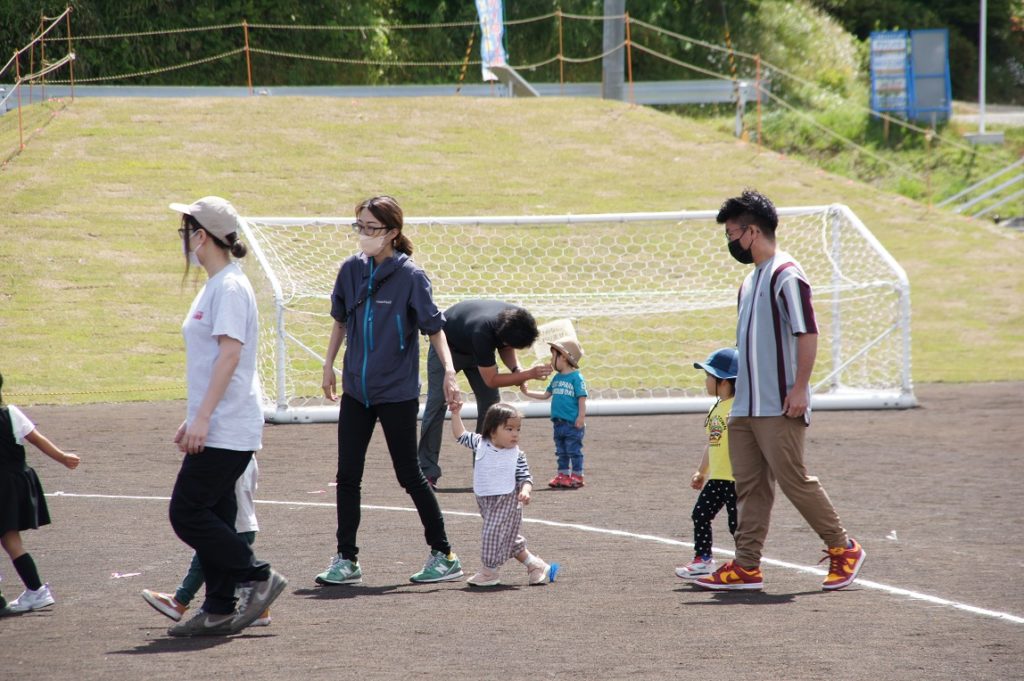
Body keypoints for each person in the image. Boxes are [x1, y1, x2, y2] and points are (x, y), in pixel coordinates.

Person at [696, 189, 865, 592]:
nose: (730, 242)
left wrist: (801, 388)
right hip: (746, 407)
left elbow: (807, 332)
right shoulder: (749, 280)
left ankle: (843, 548)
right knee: (749, 486)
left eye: (732, 233)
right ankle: (746, 566)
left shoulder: (787, 274)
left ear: (752, 232)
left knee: (794, 480)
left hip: (779, 404)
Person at [316, 195, 464, 586]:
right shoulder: (350, 270)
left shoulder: (411, 277)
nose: (364, 234)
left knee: (409, 474)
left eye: (372, 228)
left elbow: (434, 328)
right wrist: (329, 364)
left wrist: (449, 372)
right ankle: (346, 559)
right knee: (347, 475)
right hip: (356, 390)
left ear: (393, 232)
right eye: (359, 227)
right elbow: (340, 321)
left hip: (397, 392)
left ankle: (444, 554)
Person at [166, 196, 287, 636]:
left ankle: (258, 577)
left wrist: (203, 418)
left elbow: (230, 356)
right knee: (214, 515)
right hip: (218, 422)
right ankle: (219, 607)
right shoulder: (217, 284)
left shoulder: (230, 287)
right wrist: (196, 416)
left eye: (186, 232)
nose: (183, 240)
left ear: (202, 236)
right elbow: (211, 360)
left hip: (228, 426)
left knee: (186, 512)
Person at [417, 300, 552, 488]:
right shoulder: (483, 331)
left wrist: (517, 370)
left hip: (478, 349)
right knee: (437, 403)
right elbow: (491, 380)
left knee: (491, 407)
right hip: (447, 347)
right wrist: (528, 374)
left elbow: (506, 347)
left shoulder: (517, 318)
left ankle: (485, 469)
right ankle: (427, 472)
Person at [142, 456, 270, 627]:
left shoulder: (232, 455)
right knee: (221, 560)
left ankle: (180, 600)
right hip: (242, 524)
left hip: (237, 525)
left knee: (212, 553)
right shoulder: (244, 455)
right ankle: (259, 610)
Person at [450, 401, 558, 587]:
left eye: (518, 429)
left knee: (491, 534)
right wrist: (455, 413)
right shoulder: (480, 443)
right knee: (506, 537)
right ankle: (535, 565)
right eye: (509, 429)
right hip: (486, 501)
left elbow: (525, 477)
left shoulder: (517, 455)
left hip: (507, 501)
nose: (515, 434)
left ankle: (489, 571)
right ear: (492, 431)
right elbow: (460, 435)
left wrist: (525, 491)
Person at [0, 370, 80, 614]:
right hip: (16, 482)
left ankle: (33, 592)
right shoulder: (11, 413)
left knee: (10, 539)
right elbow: (36, 438)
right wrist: (62, 457)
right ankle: (36, 591)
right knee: (11, 540)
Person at [675, 348, 739, 580]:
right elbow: (712, 443)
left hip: (737, 480)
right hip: (718, 477)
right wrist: (701, 471)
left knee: (737, 525)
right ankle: (703, 560)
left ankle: (745, 563)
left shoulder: (739, 408)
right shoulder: (715, 408)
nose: (705, 381)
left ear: (723, 381)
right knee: (700, 514)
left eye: (708, 376)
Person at [520, 339, 588, 489]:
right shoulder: (557, 378)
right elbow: (546, 395)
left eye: (553, 356)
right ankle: (563, 475)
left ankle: (577, 476)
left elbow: (582, 398)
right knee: (561, 451)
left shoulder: (576, 377)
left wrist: (581, 417)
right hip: (558, 423)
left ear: (563, 357)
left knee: (573, 450)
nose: (551, 360)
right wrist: (527, 392)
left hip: (572, 423)